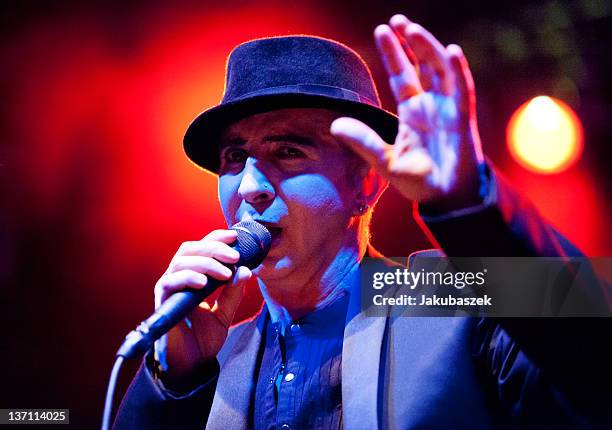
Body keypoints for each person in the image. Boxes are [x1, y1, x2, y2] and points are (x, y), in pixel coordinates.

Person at [113, 14, 610, 429]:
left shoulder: (446, 293)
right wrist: (171, 382)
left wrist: (469, 203)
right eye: (234, 157)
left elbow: (592, 343)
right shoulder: (207, 361)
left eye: (288, 151)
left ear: (365, 184)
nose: (248, 186)